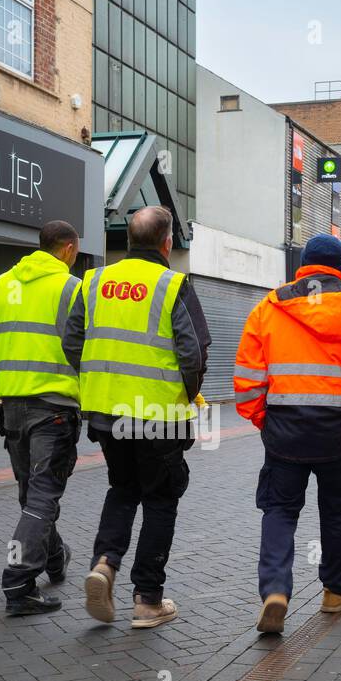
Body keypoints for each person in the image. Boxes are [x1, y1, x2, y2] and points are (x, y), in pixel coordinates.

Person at [233, 234, 341, 635]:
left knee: (280, 510)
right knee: (338, 511)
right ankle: (336, 591)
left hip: (284, 432)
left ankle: (275, 591)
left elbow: (248, 377)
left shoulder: (268, 309)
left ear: (302, 268)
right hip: (339, 433)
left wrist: (262, 420)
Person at [62, 205, 210, 629]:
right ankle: (147, 600)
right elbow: (194, 353)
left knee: (123, 490)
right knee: (161, 500)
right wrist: (188, 395)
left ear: (128, 240)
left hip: (108, 414)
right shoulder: (173, 284)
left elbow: (73, 342)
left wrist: (99, 382)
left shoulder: (94, 281)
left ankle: (105, 564)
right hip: (158, 417)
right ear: (167, 243)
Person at [0, 220, 84, 616]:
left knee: (31, 495)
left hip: (13, 406)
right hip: (54, 407)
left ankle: (55, 559)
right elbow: (82, 350)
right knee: (42, 497)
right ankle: (18, 582)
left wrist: (9, 376)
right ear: (69, 249)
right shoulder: (73, 289)